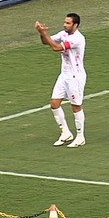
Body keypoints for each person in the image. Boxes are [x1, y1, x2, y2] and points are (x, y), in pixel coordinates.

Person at [35, 13, 87, 148]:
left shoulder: (78, 39)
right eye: (65, 22)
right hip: (64, 75)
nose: (65, 25)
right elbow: (46, 41)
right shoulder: (63, 34)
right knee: (54, 103)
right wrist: (42, 33)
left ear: (76, 25)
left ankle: (80, 137)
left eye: (68, 23)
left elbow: (56, 48)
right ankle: (65, 133)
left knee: (76, 106)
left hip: (75, 77)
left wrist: (43, 32)